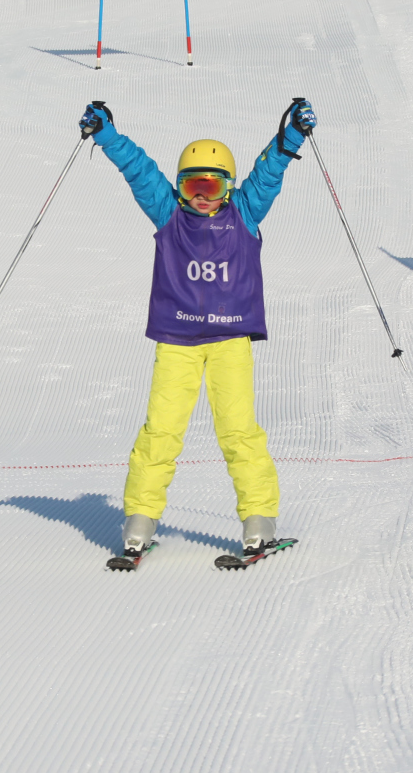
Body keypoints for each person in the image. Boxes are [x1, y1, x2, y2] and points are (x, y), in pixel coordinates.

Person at [80, 98, 316, 562]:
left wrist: (290, 138)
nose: (201, 197)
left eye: (211, 186)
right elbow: (139, 171)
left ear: (227, 187)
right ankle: (139, 522)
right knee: (160, 433)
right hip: (177, 341)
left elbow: (268, 175)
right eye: (191, 187)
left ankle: (259, 522)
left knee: (238, 432)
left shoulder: (243, 215)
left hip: (230, 341)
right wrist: (106, 135)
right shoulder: (170, 216)